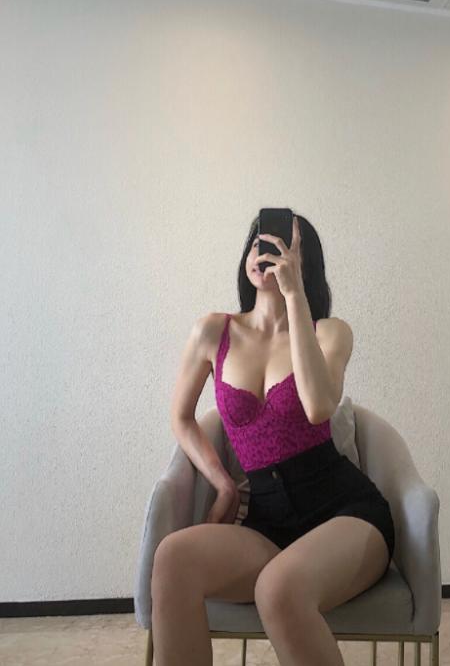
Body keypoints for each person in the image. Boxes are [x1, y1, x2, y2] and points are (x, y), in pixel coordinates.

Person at [151, 212, 395, 666]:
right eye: (257, 243)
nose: (263, 254)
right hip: (266, 520)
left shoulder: (329, 332)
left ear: (303, 262)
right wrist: (224, 483)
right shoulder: (214, 331)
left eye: (280, 246)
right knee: (172, 558)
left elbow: (318, 406)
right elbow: (181, 418)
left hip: (343, 513)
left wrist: (295, 295)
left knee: (278, 588)